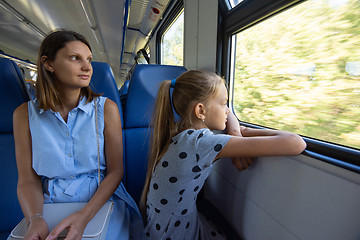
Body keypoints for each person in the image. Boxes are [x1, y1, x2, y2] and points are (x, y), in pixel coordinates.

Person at [140, 70, 306, 239]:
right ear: (201, 111)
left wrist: (235, 131)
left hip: (168, 225)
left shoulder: (183, 131)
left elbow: (228, 117)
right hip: (174, 233)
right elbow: (296, 143)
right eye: (224, 103)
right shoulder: (200, 142)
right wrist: (243, 131)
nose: (228, 111)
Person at [12, 30, 144, 240]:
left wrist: (84, 215)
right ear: (49, 64)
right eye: (75, 58)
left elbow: (116, 171)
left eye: (89, 59)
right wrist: (35, 218)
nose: (87, 67)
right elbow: (28, 180)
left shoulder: (106, 109)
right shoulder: (23, 115)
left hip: (101, 200)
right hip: (49, 205)